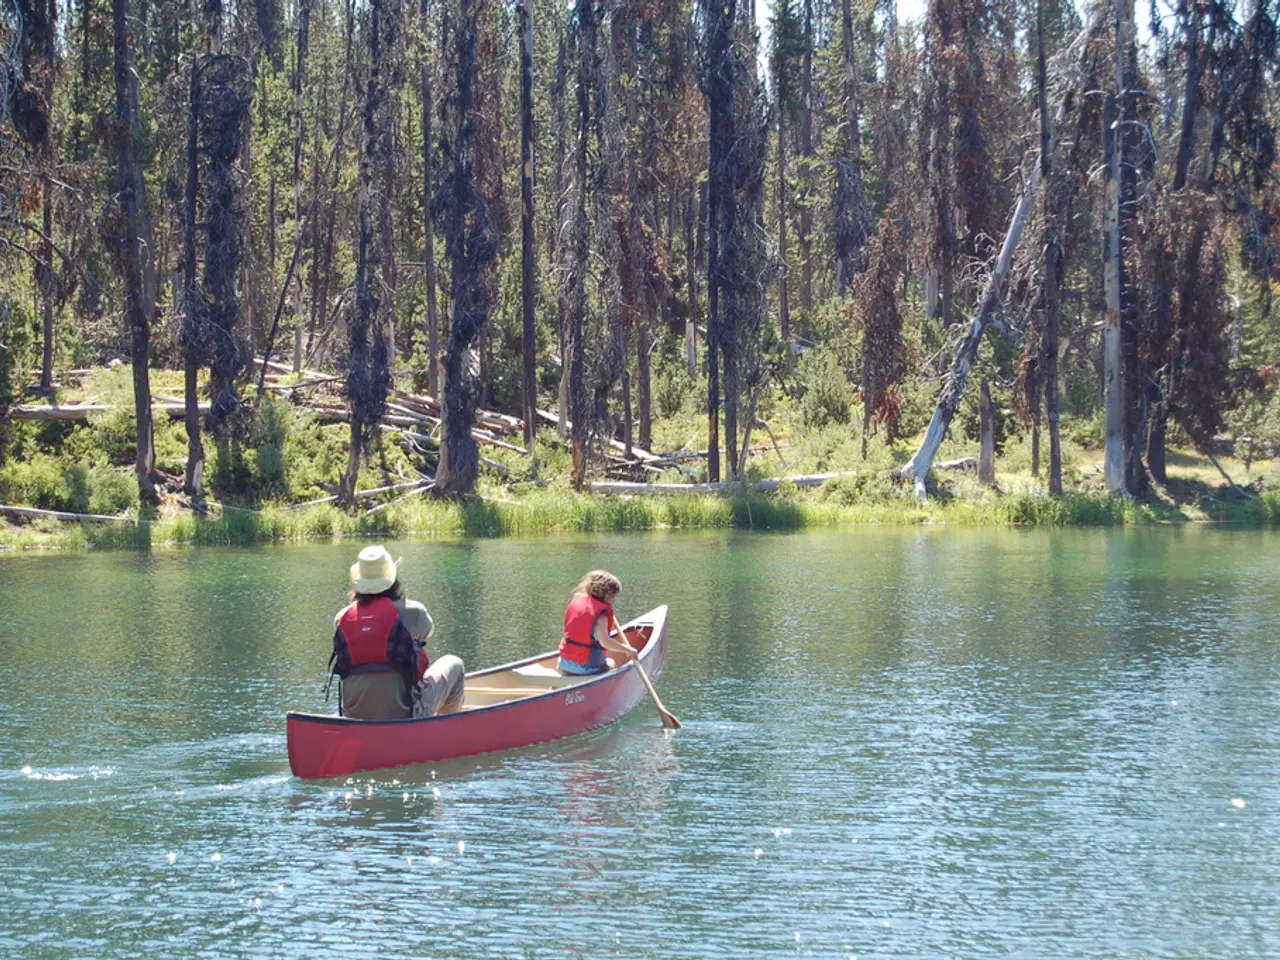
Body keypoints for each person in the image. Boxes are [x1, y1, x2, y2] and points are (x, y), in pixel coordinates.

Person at [330, 545, 465, 720]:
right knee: (454, 664)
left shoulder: (342, 617)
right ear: (392, 579)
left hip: (354, 713)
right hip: (404, 711)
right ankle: (447, 733)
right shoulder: (414, 611)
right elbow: (428, 632)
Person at [557, 570, 635, 676]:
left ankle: (556, 687)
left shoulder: (579, 603)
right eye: (615, 596)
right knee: (611, 662)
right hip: (586, 667)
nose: (615, 600)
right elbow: (605, 642)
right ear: (608, 596)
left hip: (563, 663)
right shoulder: (601, 617)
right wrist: (628, 650)